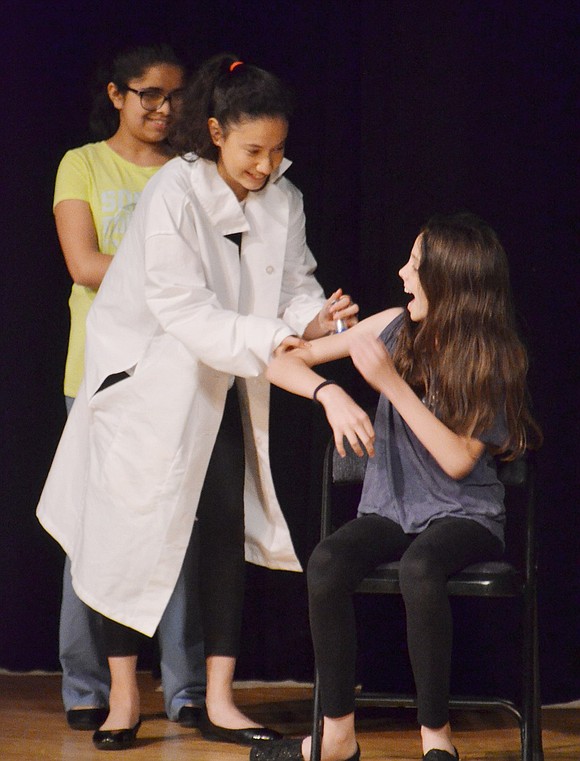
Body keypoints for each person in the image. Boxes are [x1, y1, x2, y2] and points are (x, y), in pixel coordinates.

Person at [37, 52, 359, 751]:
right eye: (252, 150)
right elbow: (184, 310)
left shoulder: (284, 197)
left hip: (225, 383)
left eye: (277, 150)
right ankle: (123, 697)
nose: (266, 165)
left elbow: (294, 282)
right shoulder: (173, 194)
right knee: (128, 535)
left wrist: (315, 319)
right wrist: (281, 338)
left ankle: (217, 697)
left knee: (219, 534)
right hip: (146, 381)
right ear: (214, 131)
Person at [251, 212, 542, 761]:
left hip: (465, 515)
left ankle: (438, 741)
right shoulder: (391, 326)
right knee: (328, 563)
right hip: (391, 510)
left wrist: (388, 383)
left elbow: (458, 460)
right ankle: (336, 738)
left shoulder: (492, 356)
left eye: (415, 264)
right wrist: (329, 395)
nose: (403, 273)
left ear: (449, 281)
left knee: (421, 567)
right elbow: (280, 363)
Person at [52, 44, 207, 731]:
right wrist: (167, 276)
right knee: (94, 532)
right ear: (116, 94)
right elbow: (85, 263)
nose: (163, 108)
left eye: (174, 96)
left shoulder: (190, 172)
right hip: (99, 371)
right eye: (148, 94)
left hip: (178, 371)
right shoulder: (82, 164)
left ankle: (185, 688)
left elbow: (209, 271)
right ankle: (86, 686)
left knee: (176, 531)